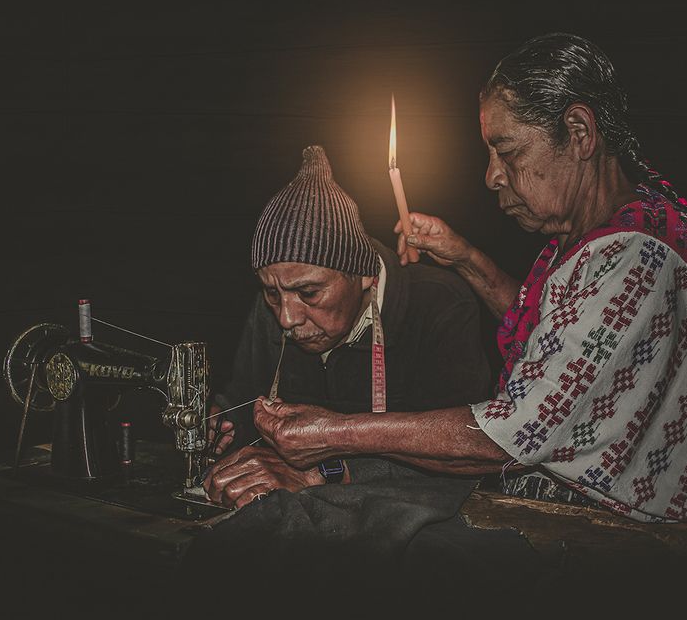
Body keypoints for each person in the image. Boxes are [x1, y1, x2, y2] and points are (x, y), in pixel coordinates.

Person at [243, 33, 687, 526]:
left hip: (679, 540)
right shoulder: (610, 233)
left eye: (508, 151)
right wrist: (465, 257)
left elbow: (510, 433)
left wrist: (332, 434)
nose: (492, 175)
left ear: (580, 132)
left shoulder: (637, 257)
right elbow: (559, 337)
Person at [203, 145, 492, 509]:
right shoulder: (272, 307)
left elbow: (463, 456)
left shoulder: (439, 306)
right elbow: (245, 395)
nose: (286, 318)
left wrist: (328, 473)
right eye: (272, 292)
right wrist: (226, 423)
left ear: (365, 275)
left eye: (309, 292)